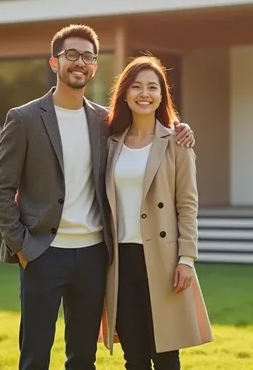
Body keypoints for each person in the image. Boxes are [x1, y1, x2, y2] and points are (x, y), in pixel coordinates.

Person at [0, 25, 195, 370]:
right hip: (42, 253)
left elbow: (148, 133)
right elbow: (1, 189)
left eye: (87, 56)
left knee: (83, 357)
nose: (79, 62)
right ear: (54, 62)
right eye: (71, 55)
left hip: (94, 256)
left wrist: (180, 129)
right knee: (35, 355)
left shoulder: (104, 121)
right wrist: (21, 246)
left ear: (95, 66)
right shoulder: (23, 119)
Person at [99, 55, 213, 370]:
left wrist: (186, 259)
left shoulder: (177, 142)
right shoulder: (110, 143)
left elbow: (187, 204)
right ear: (124, 93)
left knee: (165, 355)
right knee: (134, 356)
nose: (144, 94)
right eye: (136, 87)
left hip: (163, 261)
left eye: (152, 87)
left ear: (162, 95)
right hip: (120, 261)